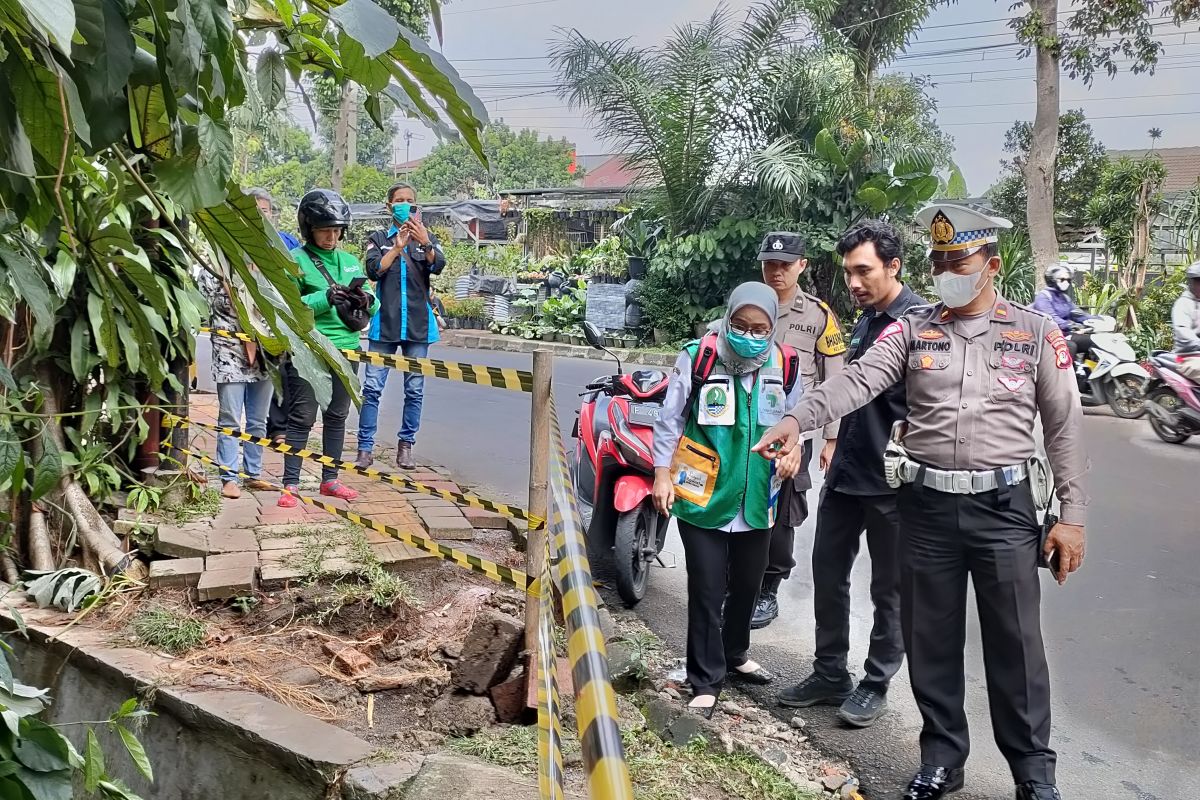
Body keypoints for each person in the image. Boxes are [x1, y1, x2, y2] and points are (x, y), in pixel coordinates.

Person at [754, 204, 1088, 800]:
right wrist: (795, 419)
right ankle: (942, 759)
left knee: (1016, 645)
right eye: (938, 262)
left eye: (958, 261)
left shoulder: (1036, 333)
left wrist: (1072, 517)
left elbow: (1064, 428)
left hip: (1005, 510)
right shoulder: (912, 330)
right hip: (926, 508)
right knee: (931, 642)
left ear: (992, 264)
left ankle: (1034, 773)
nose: (946, 272)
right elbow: (856, 381)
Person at [778, 221, 926, 728]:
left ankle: (876, 680)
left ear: (894, 267)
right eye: (848, 273)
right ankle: (829, 672)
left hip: (893, 483)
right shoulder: (862, 322)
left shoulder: (922, 325)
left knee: (890, 588)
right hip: (845, 474)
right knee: (827, 573)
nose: (854, 283)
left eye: (863, 271)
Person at [651, 282, 803, 717]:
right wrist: (661, 474)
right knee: (706, 588)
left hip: (758, 495)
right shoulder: (698, 356)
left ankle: (735, 653)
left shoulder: (786, 363)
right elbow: (669, 420)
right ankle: (705, 678)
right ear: (728, 317)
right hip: (703, 495)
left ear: (773, 327)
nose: (749, 334)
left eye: (760, 328)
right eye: (740, 325)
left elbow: (797, 423)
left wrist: (795, 450)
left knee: (747, 588)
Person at [751, 232, 846, 629]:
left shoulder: (819, 315)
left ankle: (769, 589)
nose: (776, 271)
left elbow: (835, 377)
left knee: (784, 512)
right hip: (748, 429)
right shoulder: (748, 305)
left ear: (802, 266)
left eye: (785, 265)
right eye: (770, 264)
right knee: (743, 503)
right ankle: (737, 582)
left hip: (795, 434)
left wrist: (831, 438)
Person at [277, 189, 378, 508]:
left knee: (337, 415)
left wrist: (367, 302)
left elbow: (372, 305)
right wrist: (323, 300)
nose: (331, 237)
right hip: (310, 351)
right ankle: (290, 484)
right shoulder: (296, 261)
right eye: (324, 230)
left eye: (336, 230)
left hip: (346, 352)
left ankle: (330, 480)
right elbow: (288, 306)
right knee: (302, 416)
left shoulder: (349, 262)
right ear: (309, 229)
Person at [355, 183, 446, 470]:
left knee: (415, 389)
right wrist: (397, 248)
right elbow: (373, 270)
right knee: (372, 388)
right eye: (399, 201)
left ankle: (406, 446)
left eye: (409, 201)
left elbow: (438, 265)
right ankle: (364, 448)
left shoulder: (426, 237)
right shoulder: (378, 238)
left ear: (416, 205)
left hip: (418, 324)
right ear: (389, 206)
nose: (404, 205)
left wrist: (425, 242)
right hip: (386, 323)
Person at [197, 264, 275, 499]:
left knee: (258, 419)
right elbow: (202, 305)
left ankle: (253, 473)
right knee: (230, 417)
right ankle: (229, 478)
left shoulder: (266, 265)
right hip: (229, 354)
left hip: (264, 353)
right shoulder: (213, 269)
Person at [245, 187, 302, 445]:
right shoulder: (237, 241)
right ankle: (266, 425)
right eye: (255, 211)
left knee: (285, 370)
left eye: (265, 211)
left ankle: (281, 427)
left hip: (282, 315)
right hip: (250, 315)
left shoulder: (287, 242)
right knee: (261, 370)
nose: (261, 216)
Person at [1032, 266, 1096, 366]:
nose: (1065, 282)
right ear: (1052, 280)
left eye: (1068, 280)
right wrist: (1069, 325)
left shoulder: (1065, 298)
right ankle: (1067, 376)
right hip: (1048, 336)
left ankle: (1086, 373)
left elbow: (1078, 314)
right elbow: (1050, 318)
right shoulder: (1043, 297)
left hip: (1064, 334)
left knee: (1093, 341)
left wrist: (1097, 320)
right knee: (1071, 346)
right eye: (1062, 279)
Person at [1170, 261, 1200, 382]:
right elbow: (1183, 331)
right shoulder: (1183, 304)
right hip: (1188, 357)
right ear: (1191, 283)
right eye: (1198, 282)